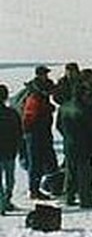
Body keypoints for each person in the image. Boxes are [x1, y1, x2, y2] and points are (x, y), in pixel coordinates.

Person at [56, 81, 92, 208]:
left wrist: (67, 136)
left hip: (69, 144)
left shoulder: (64, 106)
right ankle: (86, 200)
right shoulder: (86, 110)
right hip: (84, 146)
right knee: (85, 175)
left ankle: (69, 197)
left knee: (71, 173)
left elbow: (58, 126)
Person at [22, 67, 56, 200]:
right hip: (36, 133)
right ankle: (34, 189)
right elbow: (30, 117)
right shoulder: (35, 96)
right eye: (44, 74)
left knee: (46, 160)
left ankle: (42, 186)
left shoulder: (42, 90)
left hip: (42, 132)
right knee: (35, 162)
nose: (46, 76)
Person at [0, 84, 22, 213]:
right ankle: (6, 201)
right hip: (10, 151)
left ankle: (2, 204)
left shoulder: (12, 113)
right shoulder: (12, 113)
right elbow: (19, 132)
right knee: (10, 180)